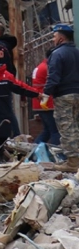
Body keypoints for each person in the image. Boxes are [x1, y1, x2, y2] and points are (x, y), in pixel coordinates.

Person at [45, 24, 79, 171]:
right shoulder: (76, 52)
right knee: (76, 127)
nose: (53, 39)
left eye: (54, 36)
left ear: (61, 37)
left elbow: (53, 76)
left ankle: (73, 162)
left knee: (67, 128)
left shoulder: (57, 54)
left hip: (64, 95)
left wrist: (46, 94)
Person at [33, 49, 59, 145]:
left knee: (47, 131)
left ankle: (34, 151)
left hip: (40, 102)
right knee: (55, 131)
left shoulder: (40, 66)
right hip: (47, 103)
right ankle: (58, 155)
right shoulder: (47, 68)